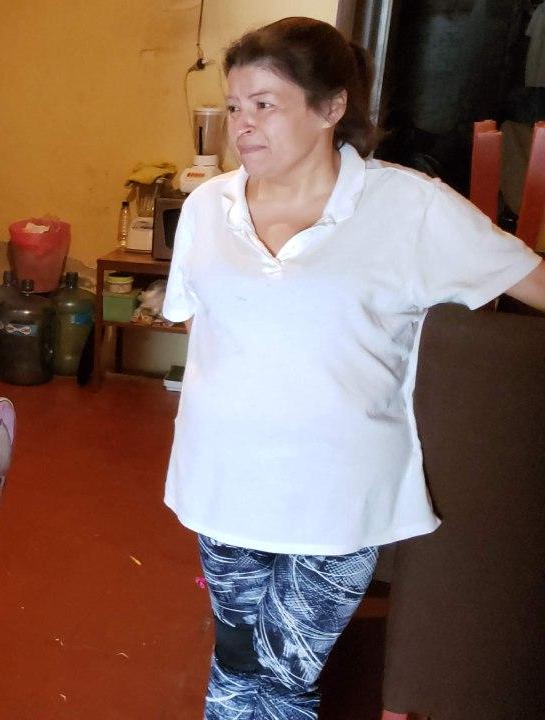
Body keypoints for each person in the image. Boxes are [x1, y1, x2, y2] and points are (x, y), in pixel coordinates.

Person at [161, 17, 545, 720]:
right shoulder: (206, 207)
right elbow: (201, 323)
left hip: (338, 499)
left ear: (331, 107)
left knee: (281, 679)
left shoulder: (409, 207)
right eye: (236, 105)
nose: (243, 125)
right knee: (238, 661)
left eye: (266, 104)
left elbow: (529, 280)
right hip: (222, 485)